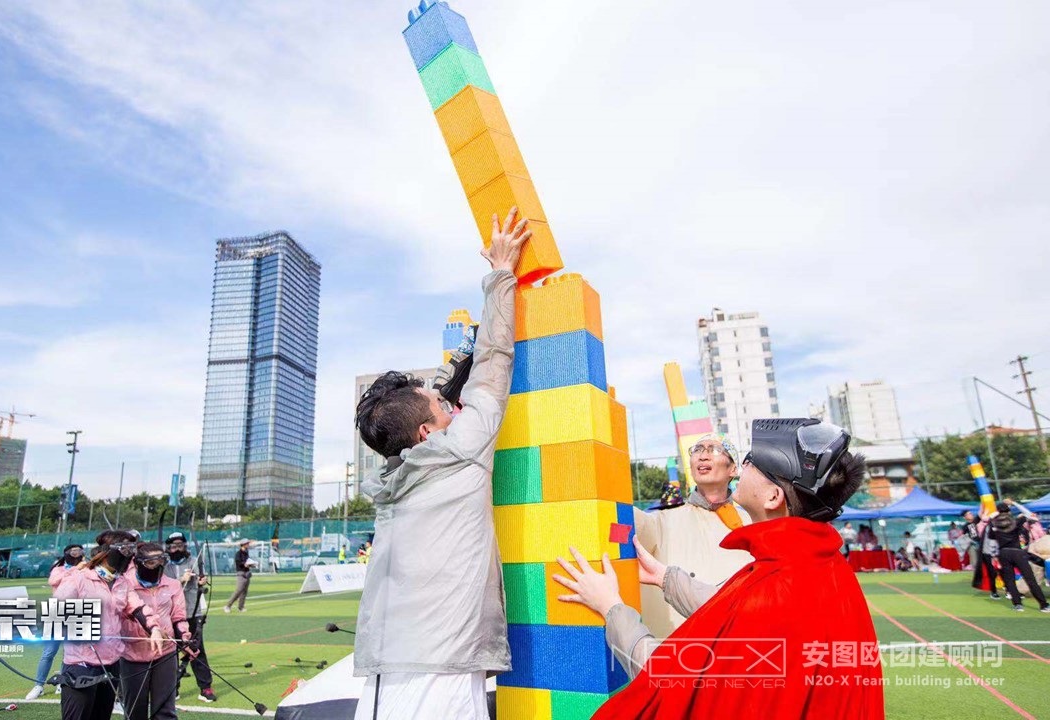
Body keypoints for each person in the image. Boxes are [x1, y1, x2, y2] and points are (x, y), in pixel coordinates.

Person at [553, 418, 883, 718]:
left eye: (750, 462)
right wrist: (666, 578)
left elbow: (668, 679)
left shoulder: (774, 588)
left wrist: (611, 607)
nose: (742, 468)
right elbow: (731, 611)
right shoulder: (817, 564)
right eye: (698, 449)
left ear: (772, 497)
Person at [350, 208, 529, 719]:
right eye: (442, 405)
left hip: (385, 673)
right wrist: (501, 273)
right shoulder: (460, 450)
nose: (452, 406)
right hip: (439, 676)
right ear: (428, 433)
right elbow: (494, 362)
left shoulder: (392, 480)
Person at [634, 434, 751, 638]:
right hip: (676, 650)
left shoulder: (752, 523)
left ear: (733, 469)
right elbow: (625, 520)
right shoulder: (661, 522)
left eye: (714, 449)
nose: (703, 456)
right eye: (697, 449)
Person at [53, 536, 166, 720]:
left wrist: (154, 629)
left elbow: (137, 607)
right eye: (124, 549)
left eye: (131, 550)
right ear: (107, 552)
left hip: (111, 664)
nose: (128, 555)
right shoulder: (79, 578)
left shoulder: (122, 582)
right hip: (81, 665)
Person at [119, 542, 195, 720]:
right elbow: (126, 612)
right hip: (133, 654)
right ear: (138, 563)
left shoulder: (173, 585)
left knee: (165, 710)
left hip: (166, 653)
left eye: (161, 561)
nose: (158, 566)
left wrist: (184, 638)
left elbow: (178, 616)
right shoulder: (125, 584)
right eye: (151, 563)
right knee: (134, 710)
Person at [25, 543, 83, 700]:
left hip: (76, 611)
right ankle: (39, 685)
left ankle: (62, 682)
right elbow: (53, 581)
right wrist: (75, 570)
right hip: (56, 611)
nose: (77, 554)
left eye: (80, 551)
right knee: (49, 652)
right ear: (67, 553)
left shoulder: (84, 569)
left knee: (69, 652)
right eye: (74, 551)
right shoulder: (59, 569)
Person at [164, 532, 216, 703]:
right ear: (168, 548)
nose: (177, 549)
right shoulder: (164, 566)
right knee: (170, 653)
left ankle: (205, 687)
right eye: (173, 546)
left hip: (192, 612)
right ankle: (172, 689)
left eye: (180, 545)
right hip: (171, 615)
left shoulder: (194, 561)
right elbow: (163, 587)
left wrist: (202, 581)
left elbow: (202, 579)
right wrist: (180, 580)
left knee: (197, 650)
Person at [988, 503, 1050, 612]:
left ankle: (1017, 605)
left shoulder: (993, 524)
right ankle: (1043, 605)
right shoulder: (1015, 521)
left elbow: (992, 540)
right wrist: (1014, 503)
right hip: (1017, 552)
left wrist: (994, 555)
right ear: (1009, 511)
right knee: (1030, 579)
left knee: (1009, 580)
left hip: (1003, 552)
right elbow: (1030, 515)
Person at [224, 539, 254, 613]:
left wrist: (252, 564)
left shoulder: (246, 553)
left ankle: (241, 607)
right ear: (243, 544)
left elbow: (248, 561)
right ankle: (228, 606)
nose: (248, 545)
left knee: (244, 592)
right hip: (241, 573)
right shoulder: (238, 553)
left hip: (247, 573)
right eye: (247, 543)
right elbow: (238, 563)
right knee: (238, 590)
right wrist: (244, 564)